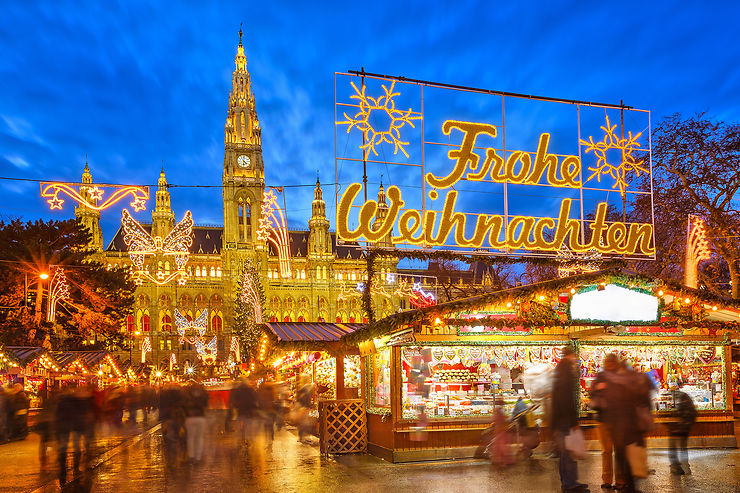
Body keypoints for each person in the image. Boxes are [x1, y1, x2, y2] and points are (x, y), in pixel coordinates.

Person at [551, 346, 589, 493]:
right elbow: (566, 398)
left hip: (559, 418)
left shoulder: (560, 369)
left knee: (565, 453)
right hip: (565, 419)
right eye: (574, 356)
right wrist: (573, 421)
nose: (575, 359)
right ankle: (570, 484)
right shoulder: (566, 370)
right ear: (571, 355)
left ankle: (567, 482)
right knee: (569, 451)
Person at [590, 353, 622, 490]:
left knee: (611, 451)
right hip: (608, 419)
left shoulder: (615, 377)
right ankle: (613, 480)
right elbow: (592, 393)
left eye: (611, 362)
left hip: (613, 419)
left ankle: (614, 480)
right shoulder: (603, 376)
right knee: (610, 451)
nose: (610, 365)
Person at [55, 385, 96, 486]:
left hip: (65, 427)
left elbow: (58, 415)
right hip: (73, 427)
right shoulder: (77, 401)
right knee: (75, 446)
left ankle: (64, 468)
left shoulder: (63, 401)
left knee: (65, 448)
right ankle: (73, 467)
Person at [667, 382, 697, 475]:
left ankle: (677, 467)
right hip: (683, 426)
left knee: (674, 447)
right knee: (681, 447)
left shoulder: (679, 398)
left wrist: (681, 423)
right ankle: (682, 467)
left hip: (680, 426)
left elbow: (681, 411)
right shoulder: (683, 396)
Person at [183, 380, 209, 462]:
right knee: (199, 438)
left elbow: (183, 405)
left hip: (190, 418)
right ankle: (198, 456)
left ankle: (191, 455)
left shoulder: (187, 395)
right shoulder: (203, 395)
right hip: (200, 417)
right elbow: (206, 405)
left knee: (190, 438)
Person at [229, 379, 259, 446]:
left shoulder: (238, 390)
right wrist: (254, 407)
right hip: (248, 411)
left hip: (241, 410)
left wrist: (236, 406)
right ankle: (248, 439)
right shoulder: (250, 390)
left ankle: (242, 438)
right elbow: (254, 399)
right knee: (248, 425)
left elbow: (234, 399)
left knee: (242, 424)